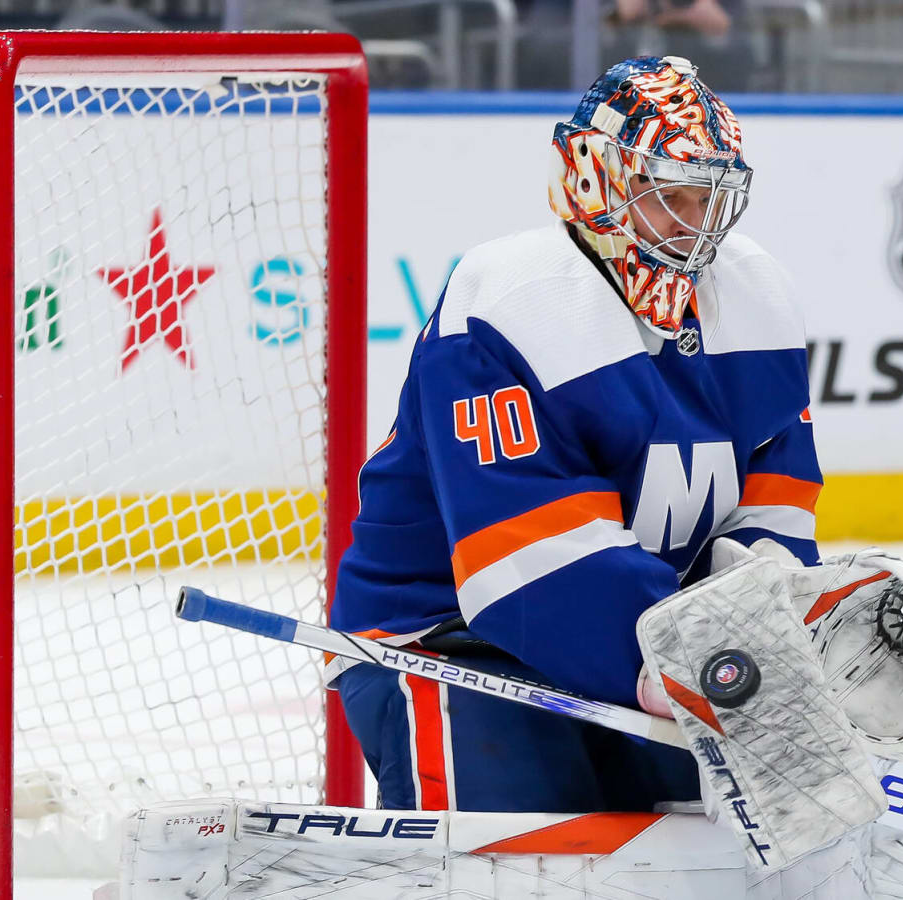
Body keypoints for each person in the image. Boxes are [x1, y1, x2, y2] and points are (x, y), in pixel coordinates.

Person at [329, 55, 822, 815]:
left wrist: (779, 630)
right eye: (670, 197)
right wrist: (694, 655)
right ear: (599, 180)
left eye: (710, 200)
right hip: (455, 645)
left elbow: (776, 502)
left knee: (712, 848)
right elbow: (525, 561)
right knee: (518, 864)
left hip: (646, 645)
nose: (694, 228)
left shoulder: (759, 296)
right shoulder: (511, 305)